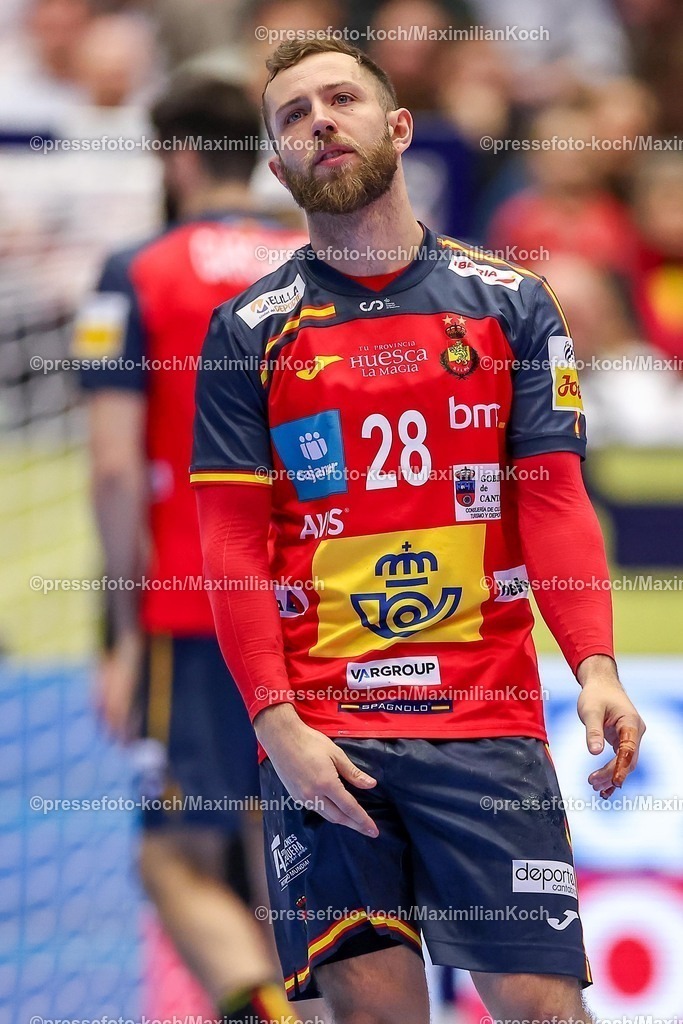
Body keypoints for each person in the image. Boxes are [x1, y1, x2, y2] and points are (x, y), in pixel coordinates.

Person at [192, 38, 646, 1024]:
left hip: (484, 721)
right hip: (324, 728)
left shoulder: (512, 304)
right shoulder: (245, 332)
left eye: (341, 97)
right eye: (291, 113)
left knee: (542, 1007)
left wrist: (597, 668)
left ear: (397, 126)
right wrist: (276, 722)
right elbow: (226, 545)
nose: (319, 119)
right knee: (371, 1014)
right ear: (275, 166)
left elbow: (555, 502)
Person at [76, 73, 305, 1024]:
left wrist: (122, 635)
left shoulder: (135, 271)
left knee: (168, 854)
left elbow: (114, 471)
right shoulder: (312, 261)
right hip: (316, 604)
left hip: (195, 604)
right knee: (279, 854)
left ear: (171, 155)